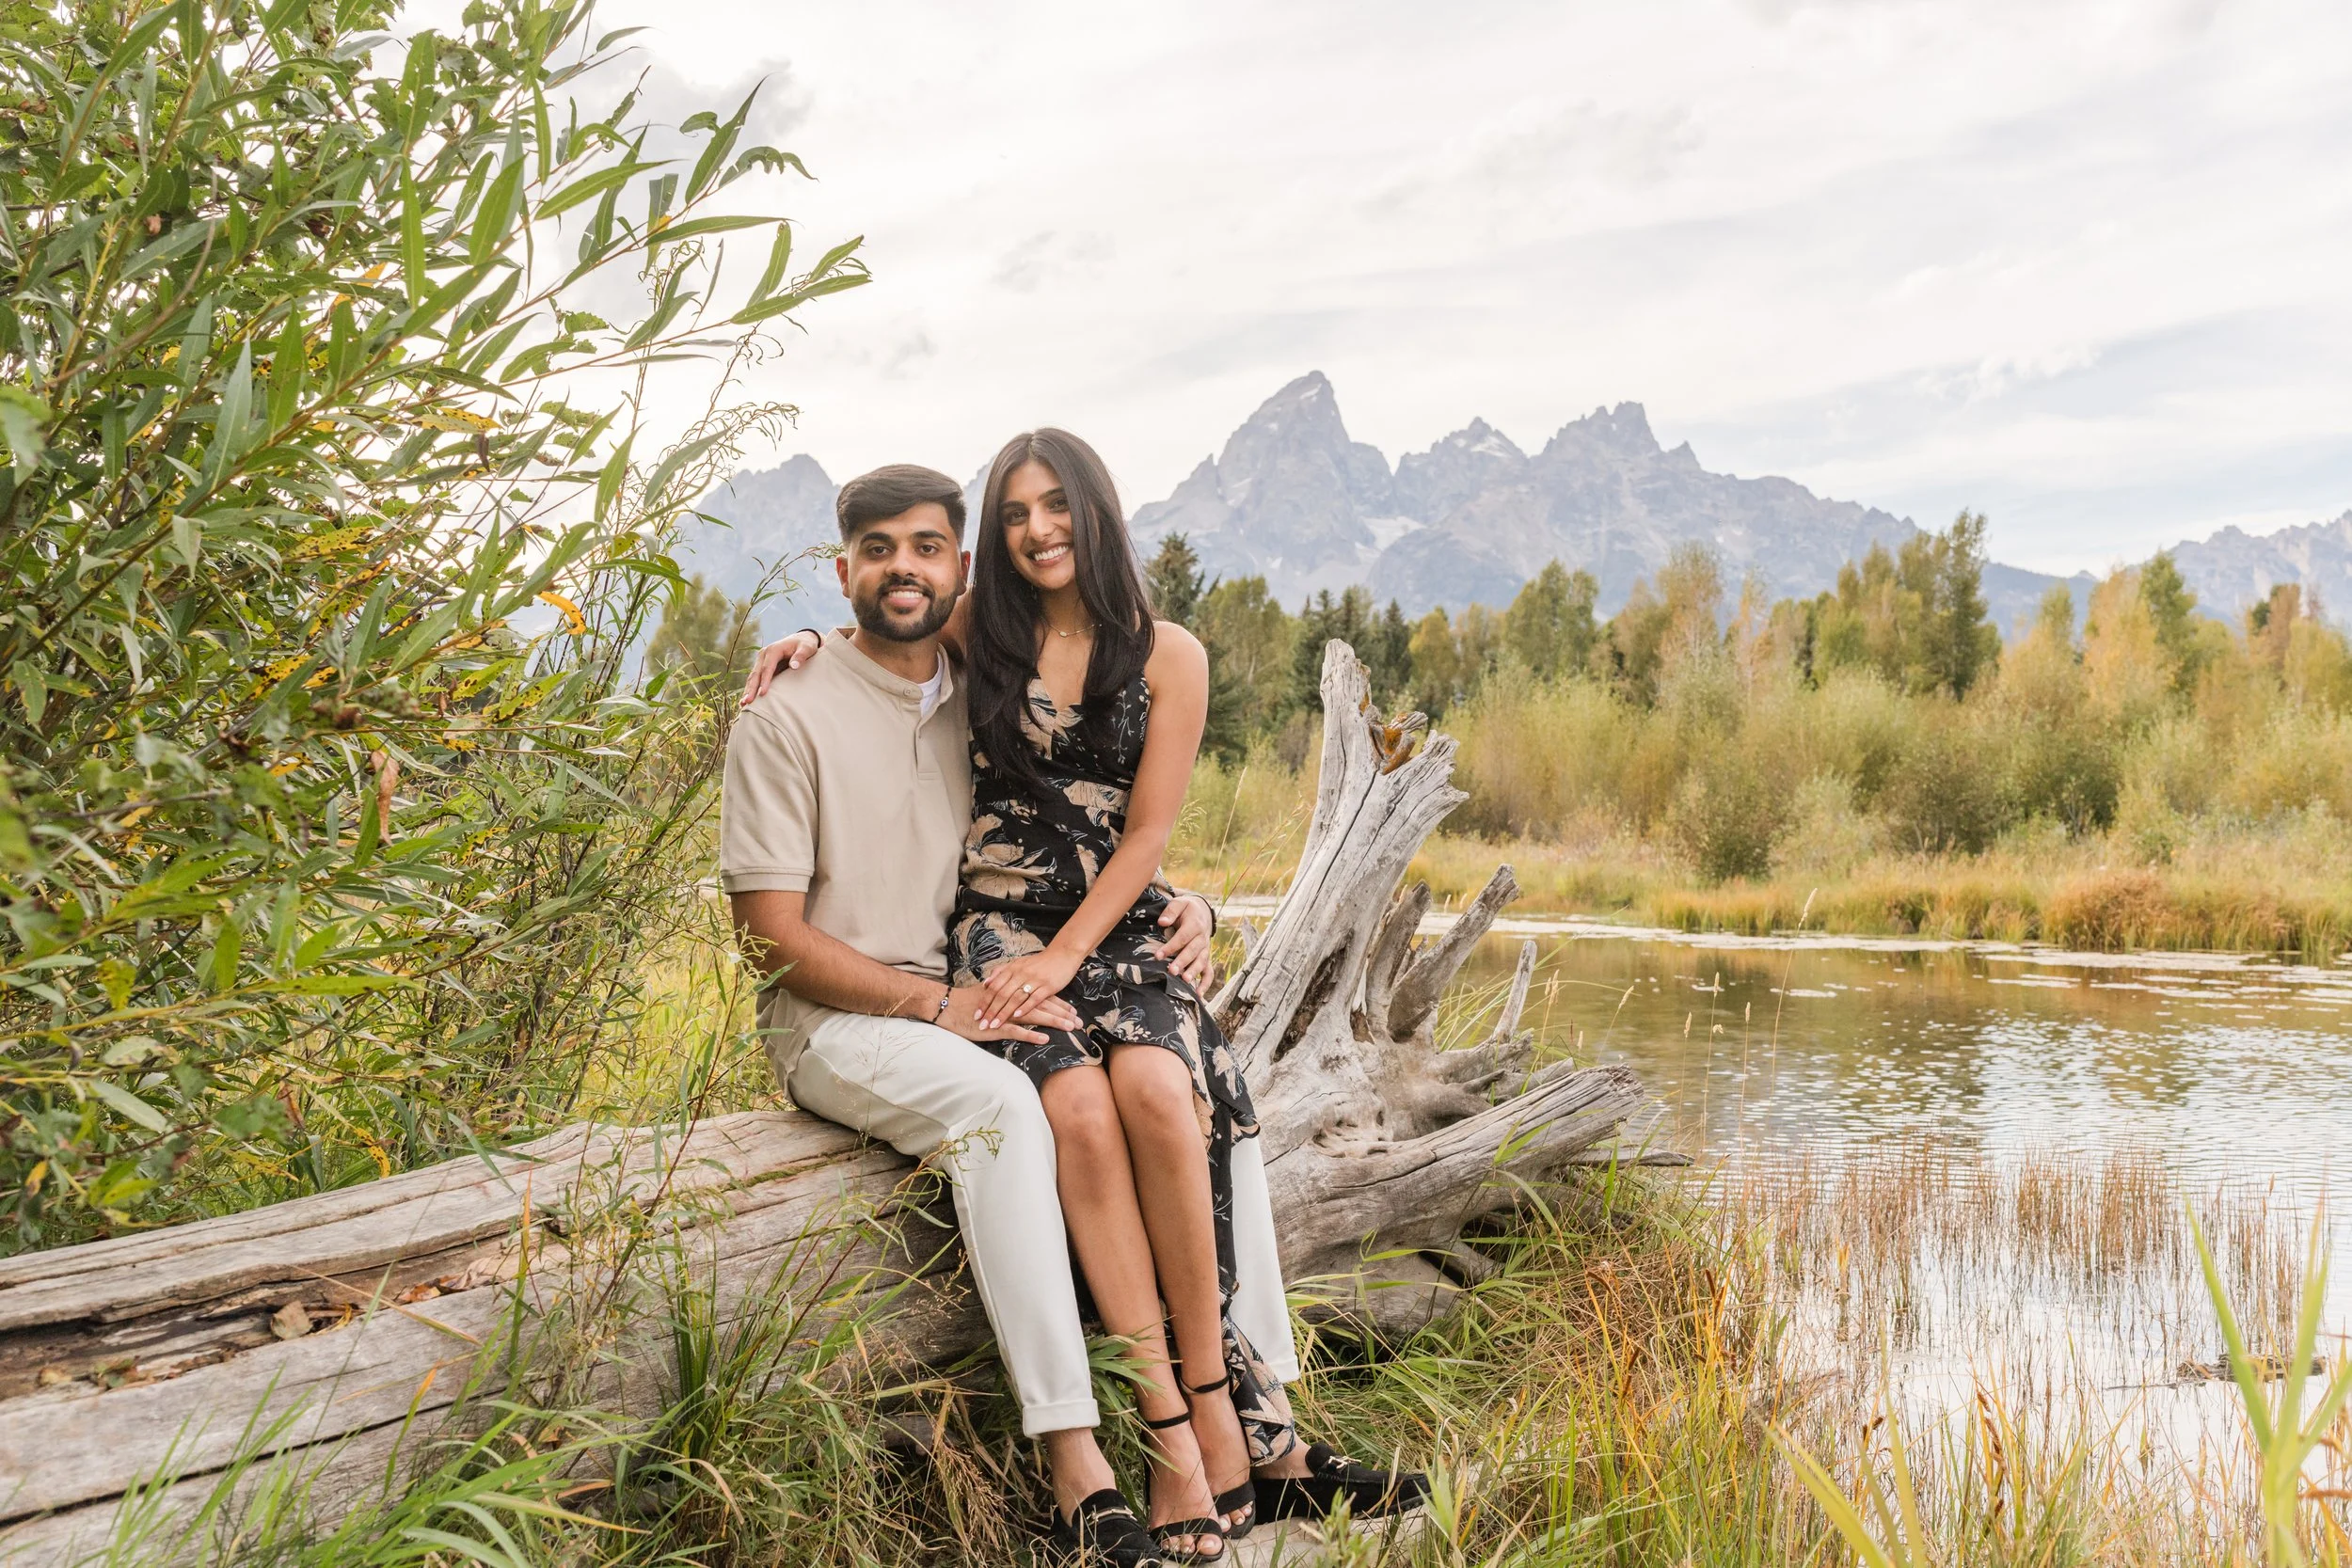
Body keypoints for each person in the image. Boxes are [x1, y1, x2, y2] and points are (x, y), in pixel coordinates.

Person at [740, 438, 1427, 1562]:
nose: (1037, 529)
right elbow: (889, 620)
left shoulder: (1170, 652)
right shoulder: (982, 630)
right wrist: (808, 640)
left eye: (1055, 505)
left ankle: (1230, 1404)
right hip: (999, 928)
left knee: (1161, 1091)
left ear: (1097, 510)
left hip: (1110, 922)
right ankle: (1171, 1431)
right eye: (1015, 513)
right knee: (1074, 1108)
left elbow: (1145, 831)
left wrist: (1148, 921)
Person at [722, 463, 1221, 1567]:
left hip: (959, 989)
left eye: (925, 548)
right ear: (840, 569)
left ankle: (1235, 1417)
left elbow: (1069, 829)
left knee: (1161, 1083)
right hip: (836, 1020)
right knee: (1006, 1107)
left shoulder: (969, 688)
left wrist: (1182, 899)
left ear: (959, 571)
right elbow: (767, 937)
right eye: (877, 549)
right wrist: (937, 1003)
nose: (901, 569)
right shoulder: (783, 711)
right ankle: (1077, 1463)